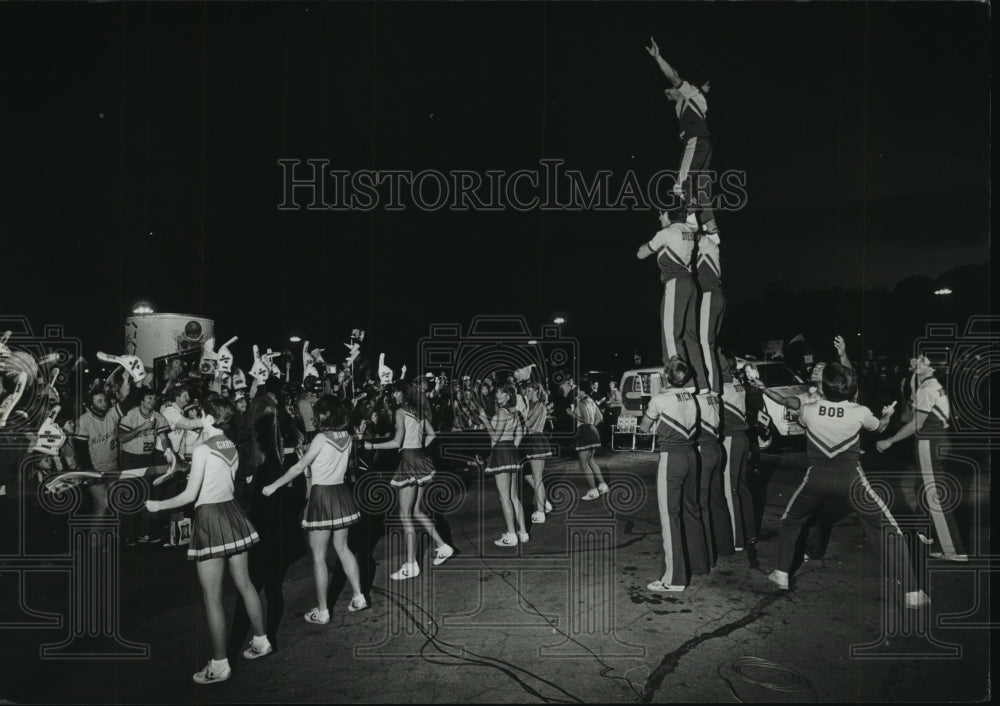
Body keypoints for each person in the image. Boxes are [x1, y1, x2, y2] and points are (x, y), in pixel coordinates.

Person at [768, 364, 929, 609]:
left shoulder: (809, 410)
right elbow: (880, 427)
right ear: (852, 389)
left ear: (824, 387)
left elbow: (802, 415)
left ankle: (781, 573)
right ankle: (912, 592)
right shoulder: (860, 412)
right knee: (889, 529)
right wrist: (887, 414)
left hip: (816, 480)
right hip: (851, 481)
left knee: (791, 521)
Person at [146, 397, 272, 685]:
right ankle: (261, 640)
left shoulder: (203, 449)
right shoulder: (231, 445)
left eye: (202, 415)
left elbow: (190, 496)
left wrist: (157, 506)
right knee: (245, 583)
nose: (199, 419)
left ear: (211, 419)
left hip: (211, 518)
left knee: (212, 597)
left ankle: (219, 664)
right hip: (233, 514)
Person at [263, 396, 367, 622]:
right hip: (341, 493)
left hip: (322, 495)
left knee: (319, 556)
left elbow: (299, 467)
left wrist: (273, 486)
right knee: (343, 548)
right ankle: (359, 596)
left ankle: (322, 611)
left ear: (325, 414)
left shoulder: (321, 437)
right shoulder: (346, 436)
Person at [876, 354, 967, 561]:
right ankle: (928, 533)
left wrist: (890, 440)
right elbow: (908, 416)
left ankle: (953, 549)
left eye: (922, 360)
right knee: (923, 489)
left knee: (935, 496)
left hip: (929, 442)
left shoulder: (927, 388)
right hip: (935, 441)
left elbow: (916, 423)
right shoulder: (927, 385)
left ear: (933, 367)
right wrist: (907, 391)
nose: (916, 362)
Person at [364, 381, 453, 579]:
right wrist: (418, 448)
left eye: (396, 392)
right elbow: (432, 434)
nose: (394, 395)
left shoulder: (400, 412)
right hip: (422, 459)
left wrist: (372, 446)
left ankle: (411, 564)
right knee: (417, 511)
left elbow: (397, 442)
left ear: (403, 393)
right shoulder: (418, 410)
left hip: (409, 462)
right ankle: (443, 546)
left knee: (405, 515)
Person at [638, 357, 708, 591]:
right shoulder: (691, 397)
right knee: (691, 509)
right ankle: (699, 563)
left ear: (667, 376)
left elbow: (644, 428)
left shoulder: (660, 399)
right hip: (691, 455)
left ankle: (674, 578)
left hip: (672, 457)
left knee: (670, 516)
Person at [645, 36, 717, 235]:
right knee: (700, 187)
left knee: (681, 185)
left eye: (669, 91)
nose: (667, 94)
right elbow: (694, 99)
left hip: (696, 142)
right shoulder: (689, 101)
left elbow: (674, 76)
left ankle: (691, 222)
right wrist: (702, 90)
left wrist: (658, 58)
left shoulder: (687, 92)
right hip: (705, 146)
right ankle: (711, 228)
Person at [636, 208, 709, 392]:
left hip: (675, 283)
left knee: (670, 334)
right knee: (690, 336)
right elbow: (693, 224)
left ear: (668, 215)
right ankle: (701, 384)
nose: (659, 218)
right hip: (691, 285)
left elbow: (640, 253)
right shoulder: (688, 231)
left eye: (661, 214)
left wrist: (652, 245)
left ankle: (682, 383)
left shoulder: (666, 233)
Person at [118, 389, 175, 546]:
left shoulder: (158, 417)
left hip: (147, 458)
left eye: (154, 399)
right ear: (141, 401)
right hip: (130, 459)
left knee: (145, 496)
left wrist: (168, 449)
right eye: (149, 398)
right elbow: (121, 438)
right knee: (130, 497)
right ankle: (128, 535)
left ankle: (144, 533)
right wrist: (140, 428)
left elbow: (164, 437)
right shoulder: (131, 414)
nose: (152, 401)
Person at [72, 374, 131, 516]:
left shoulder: (111, 414)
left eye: (104, 400)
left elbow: (128, 402)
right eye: (99, 401)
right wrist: (89, 472)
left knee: (116, 504)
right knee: (102, 505)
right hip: (95, 471)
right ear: (91, 405)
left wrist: (128, 382)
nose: (104, 403)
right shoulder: (84, 421)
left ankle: (115, 530)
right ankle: (96, 532)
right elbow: (81, 450)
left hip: (113, 468)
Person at [480, 383, 529, 546]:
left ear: (508, 395)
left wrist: (485, 421)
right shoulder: (514, 411)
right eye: (497, 393)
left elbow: (495, 437)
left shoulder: (502, 411)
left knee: (504, 497)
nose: (497, 396)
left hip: (501, 451)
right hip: (511, 451)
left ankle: (511, 535)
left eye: (501, 393)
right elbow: (520, 434)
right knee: (514, 496)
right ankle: (523, 533)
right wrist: (511, 448)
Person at [719, 355, 757, 551]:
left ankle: (736, 539)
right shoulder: (737, 384)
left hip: (731, 439)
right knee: (741, 486)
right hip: (742, 438)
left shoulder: (723, 387)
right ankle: (750, 532)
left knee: (730, 488)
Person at [695, 391, 734, 564]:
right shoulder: (713, 397)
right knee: (717, 499)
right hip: (717, 448)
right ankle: (725, 545)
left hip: (703, 450)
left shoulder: (695, 399)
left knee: (701, 502)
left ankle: (706, 555)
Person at [520, 381, 554, 524]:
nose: (526, 393)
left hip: (536, 440)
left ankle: (540, 512)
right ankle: (544, 502)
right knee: (527, 475)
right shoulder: (530, 404)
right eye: (525, 390)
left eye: (529, 390)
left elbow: (528, 423)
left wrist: (517, 413)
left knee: (537, 478)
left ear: (535, 391)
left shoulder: (539, 405)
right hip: (528, 441)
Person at [568, 386, 609, 501]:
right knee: (591, 460)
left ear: (583, 390)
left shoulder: (582, 402)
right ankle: (602, 486)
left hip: (583, 432)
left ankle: (593, 491)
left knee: (584, 464)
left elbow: (585, 420)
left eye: (578, 389)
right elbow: (599, 417)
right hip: (592, 432)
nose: (576, 391)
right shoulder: (591, 401)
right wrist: (592, 427)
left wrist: (572, 414)